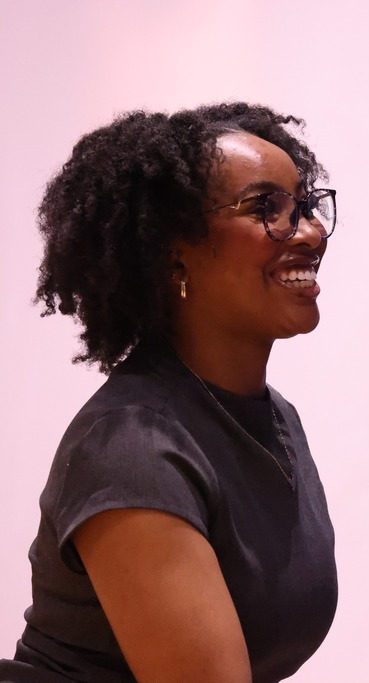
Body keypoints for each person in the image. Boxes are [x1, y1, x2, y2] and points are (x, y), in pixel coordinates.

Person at [0, 103, 339, 682]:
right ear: (172, 251)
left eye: (305, 205)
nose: (309, 231)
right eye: (266, 208)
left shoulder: (273, 416)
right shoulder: (132, 448)